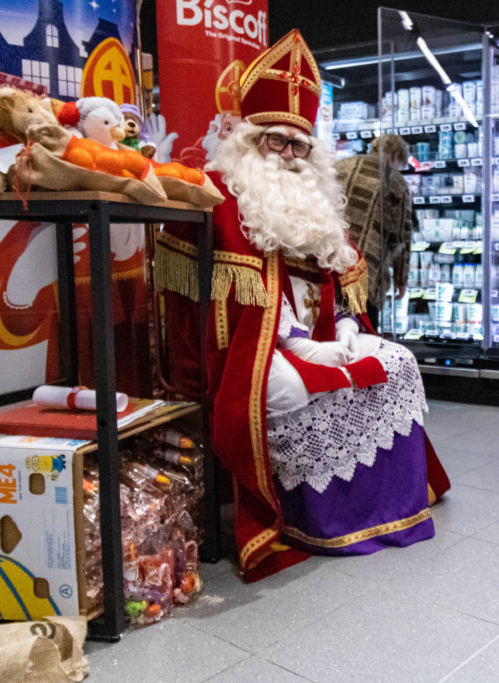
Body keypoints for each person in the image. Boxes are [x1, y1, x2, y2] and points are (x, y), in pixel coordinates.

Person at [157, 29, 450, 581]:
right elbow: (226, 309)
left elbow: (339, 282)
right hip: (257, 349)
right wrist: (297, 345)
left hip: (316, 332)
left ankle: (390, 503)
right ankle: (308, 516)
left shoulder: (315, 204)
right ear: (247, 141)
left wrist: (342, 329)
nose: (291, 157)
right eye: (277, 142)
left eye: (300, 146)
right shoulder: (221, 198)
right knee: (288, 389)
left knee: (398, 363)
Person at [334, 134, 414, 327]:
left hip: (332, 264)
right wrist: (401, 280)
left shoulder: (341, 166)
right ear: (396, 156)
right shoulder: (395, 181)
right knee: (363, 335)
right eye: (400, 164)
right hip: (367, 270)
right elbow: (402, 237)